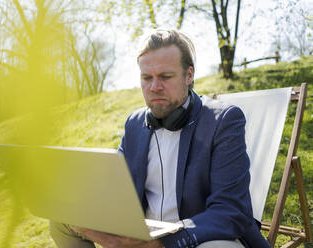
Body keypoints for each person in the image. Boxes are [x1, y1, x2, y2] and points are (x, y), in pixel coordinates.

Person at [50, 29, 270, 248]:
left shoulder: (223, 120)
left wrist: (162, 243)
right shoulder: (134, 123)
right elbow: (116, 189)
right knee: (63, 219)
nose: (154, 87)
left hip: (200, 237)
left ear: (189, 75)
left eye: (165, 77)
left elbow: (230, 212)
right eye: (147, 78)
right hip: (142, 232)